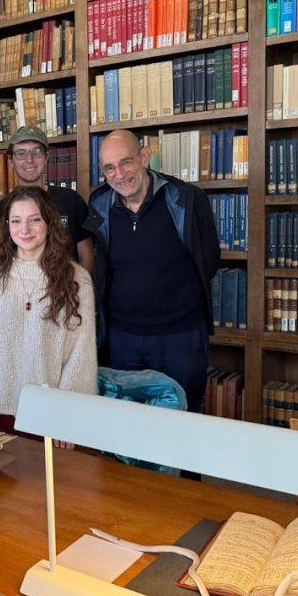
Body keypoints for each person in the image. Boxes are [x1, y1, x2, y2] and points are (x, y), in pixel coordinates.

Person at [86, 129, 221, 412]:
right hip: (123, 339)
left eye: (126, 162)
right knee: (128, 427)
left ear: (144, 157)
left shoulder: (186, 199)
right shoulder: (99, 204)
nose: (119, 174)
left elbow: (209, 259)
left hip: (179, 339)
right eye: (109, 167)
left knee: (183, 424)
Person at [0, 185, 96, 441]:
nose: (24, 229)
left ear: (50, 223)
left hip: (51, 417)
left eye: (34, 220)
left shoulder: (77, 280)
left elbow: (80, 356)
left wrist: (69, 416)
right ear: (7, 225)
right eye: (16, 221)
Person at [4, 125, 95, 273]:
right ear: (11, 160)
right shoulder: (2, 208)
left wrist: (80, 290)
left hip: (68, 290)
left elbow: (87, 255)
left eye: (36, 152)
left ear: (46, 157)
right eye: (21, 153)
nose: (29, 160)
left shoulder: (71, 200)